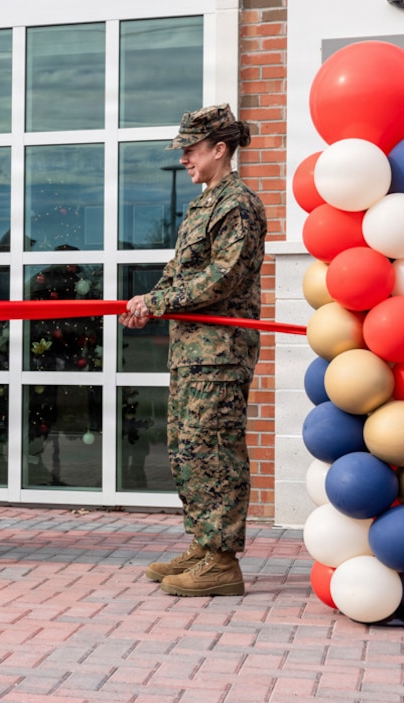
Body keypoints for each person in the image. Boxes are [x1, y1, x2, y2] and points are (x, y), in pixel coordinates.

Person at [119, 104, 266, 597]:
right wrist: (146, 304)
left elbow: (224, 276)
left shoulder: (237, 204)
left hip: (220, 353)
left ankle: (222, 562)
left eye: (191, 149)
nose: (183, 158)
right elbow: (179, 273)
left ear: (219, 149)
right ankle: (204, 545)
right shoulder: (204, 205)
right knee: (188, 449)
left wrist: (158, 302)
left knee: (215, 449)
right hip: (191, 351)